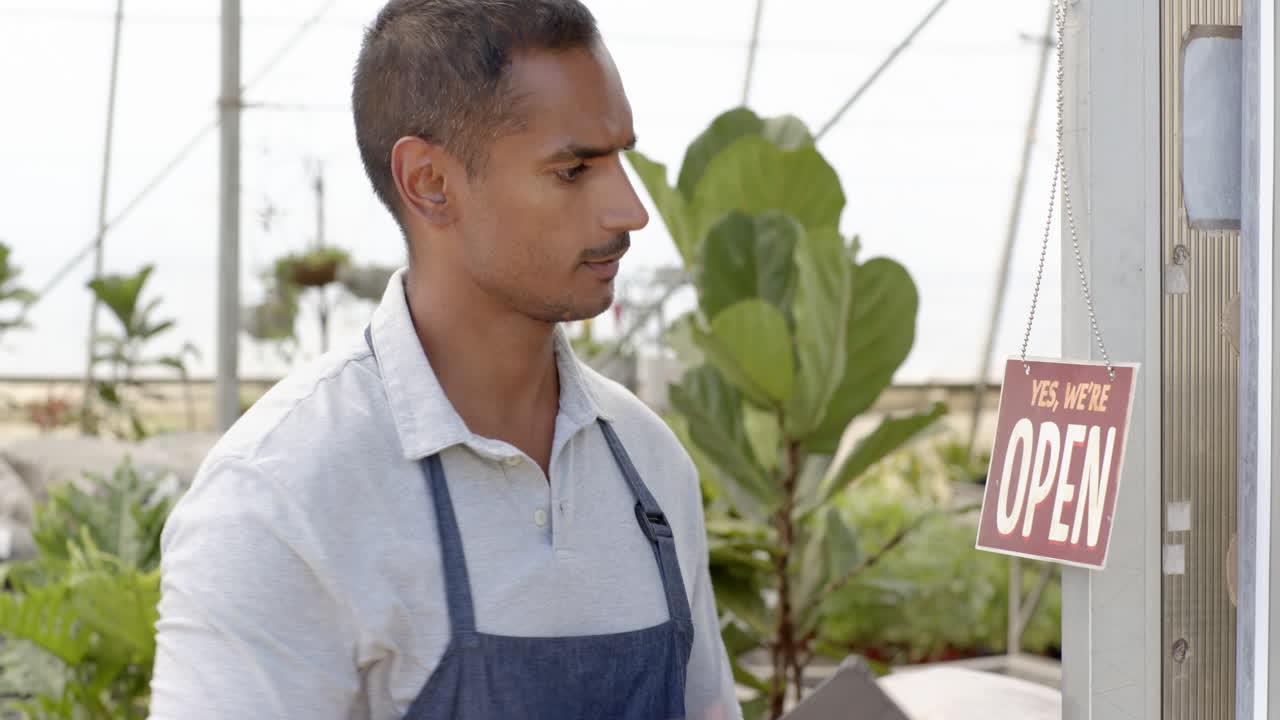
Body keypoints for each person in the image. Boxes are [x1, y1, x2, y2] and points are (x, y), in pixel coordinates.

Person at [148, 1, 742, 718]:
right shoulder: (283, 500)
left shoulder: (649, 461)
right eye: (575, 169)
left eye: (621, 157)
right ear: (429, 182)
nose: (630, 209)